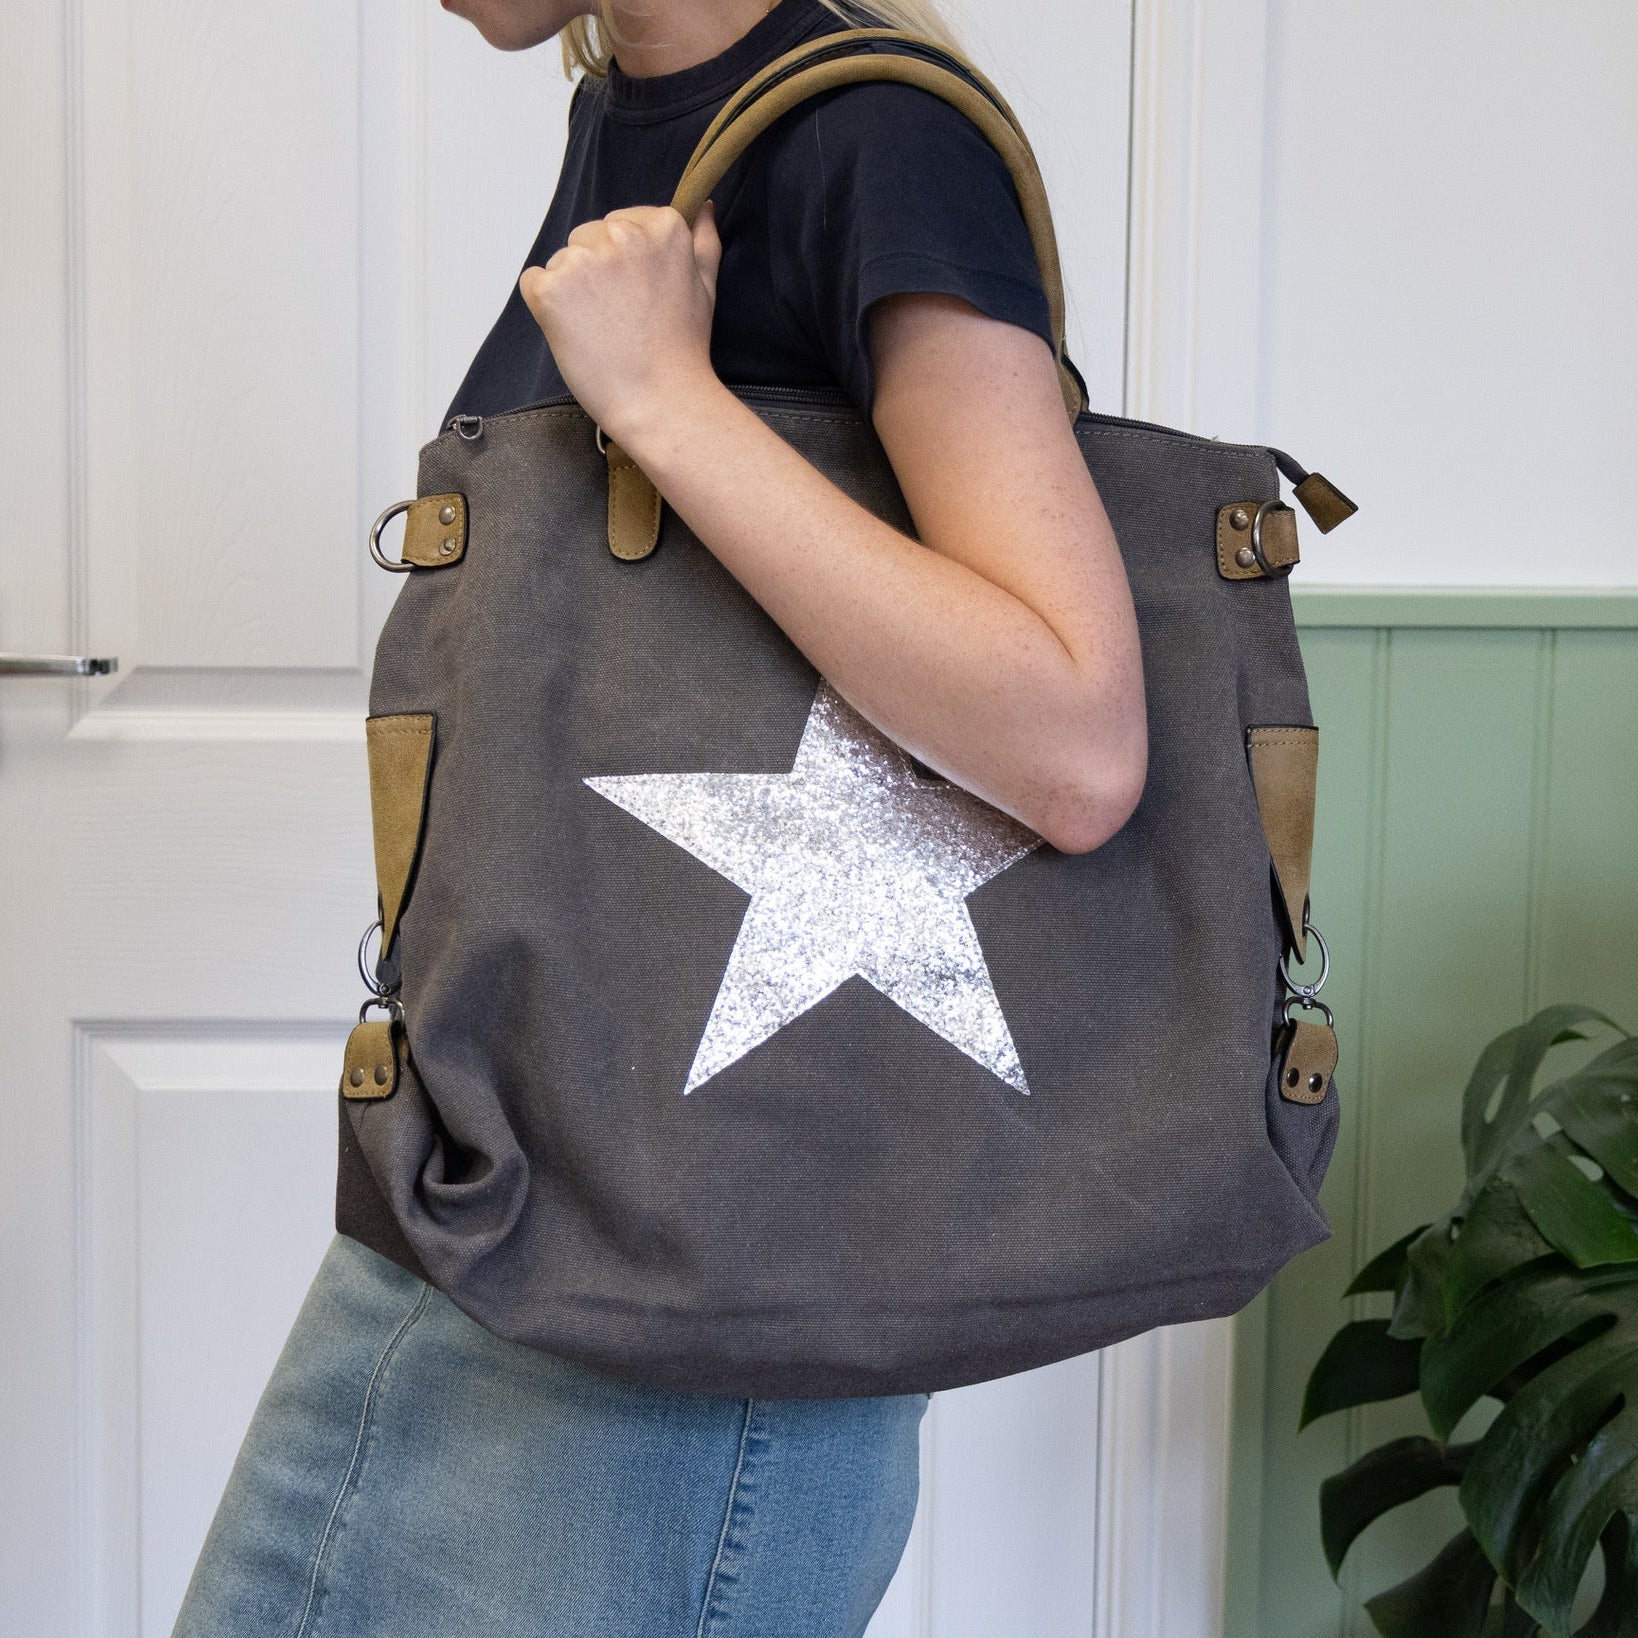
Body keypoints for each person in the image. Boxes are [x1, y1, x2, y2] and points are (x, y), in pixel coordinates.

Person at [171, 0, 1144, 1632]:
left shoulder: (874, 142)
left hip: (706, 1281)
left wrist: (667, 404)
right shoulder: (633, 111)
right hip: (493, 1187)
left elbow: (1075, 735)